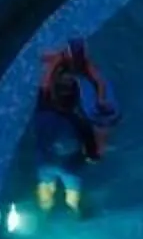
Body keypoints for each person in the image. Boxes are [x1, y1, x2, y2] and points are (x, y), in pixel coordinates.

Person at [32, 54, 106, 214]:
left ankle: (44, 211)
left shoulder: (41, 112)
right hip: (70, 167)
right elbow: (94, 155)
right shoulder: (80, 122)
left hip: (44, 161)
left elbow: (43, 86)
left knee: (45, 188)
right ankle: (76, 211)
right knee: (73, 197)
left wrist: (54, 63)